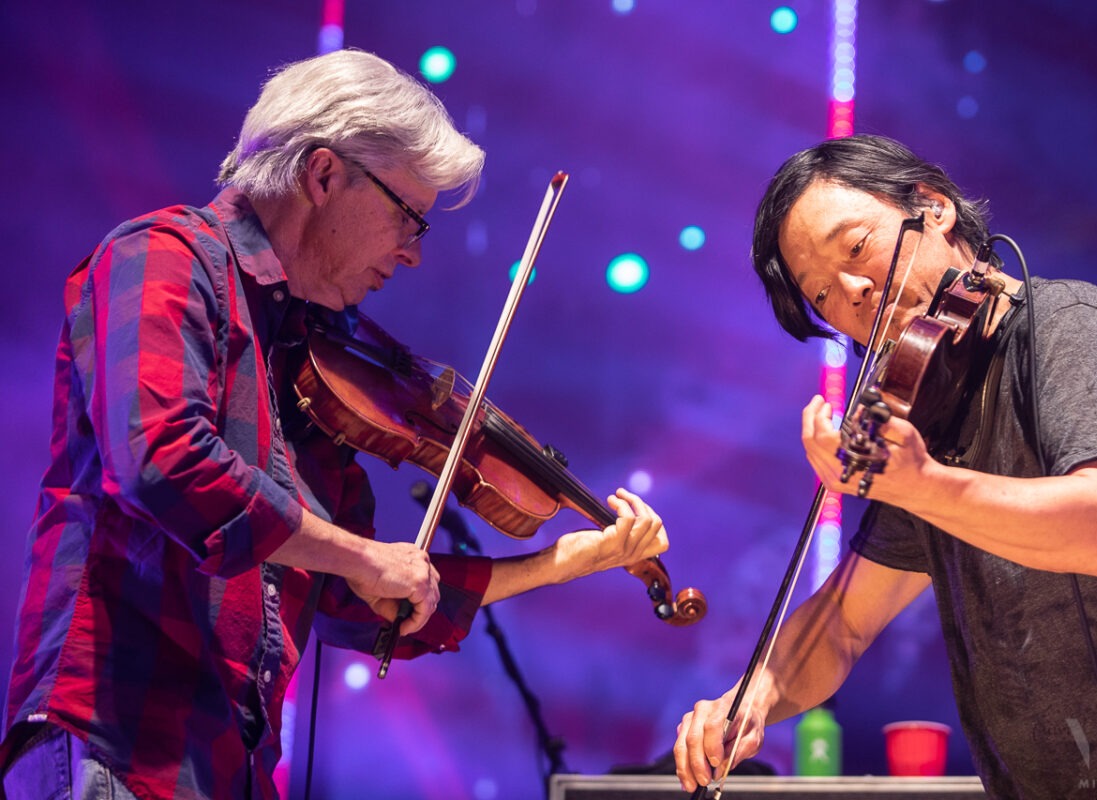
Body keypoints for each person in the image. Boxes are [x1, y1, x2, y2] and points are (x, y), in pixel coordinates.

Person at [1, 49, 671, 800]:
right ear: (322, 175)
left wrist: (567, 561)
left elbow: (361, 601)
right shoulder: (163, 256)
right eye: (408, 217)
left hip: (229, 769)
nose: (413, 254)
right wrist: (361, 557)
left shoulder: (306, 353)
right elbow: (162, 461)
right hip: (117, 744)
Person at [674, 135, 1097, 799]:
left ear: (934, 207)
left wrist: (924, 485)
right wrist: (750, 699)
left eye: (857, 247)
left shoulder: (1071, 329)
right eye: (822, 294)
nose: (854, 291)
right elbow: (841, 622)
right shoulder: (926, 416)